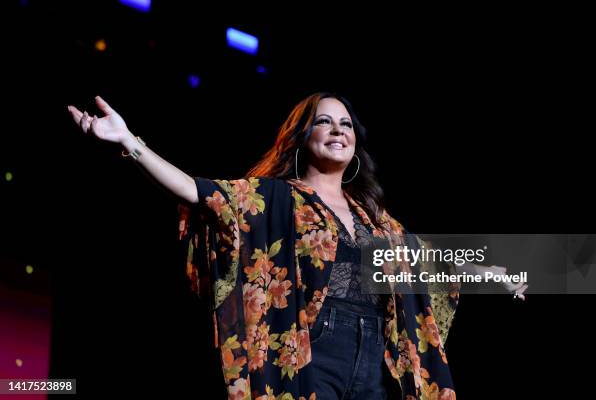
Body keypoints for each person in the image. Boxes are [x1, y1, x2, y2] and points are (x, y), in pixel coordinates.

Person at [67, 93, 527, 399]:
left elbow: (427, 263)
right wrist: (130, 141)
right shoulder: (277, 198)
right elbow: (196, 190)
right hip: (313, 349)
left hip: (376, 360)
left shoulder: (375, 218)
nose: (338, 130)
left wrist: (493, 272)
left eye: (345, 123)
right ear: (302, 137)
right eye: (323, 122)